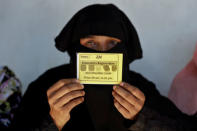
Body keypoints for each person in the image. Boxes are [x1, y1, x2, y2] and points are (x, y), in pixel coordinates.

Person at [10, 4, 197, 131]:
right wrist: (55, 121)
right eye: (91, 43)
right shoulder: (49, 84)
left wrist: (139, 119)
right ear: (75, 46)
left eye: (112, 43)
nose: (101, 54)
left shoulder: (139, 87)